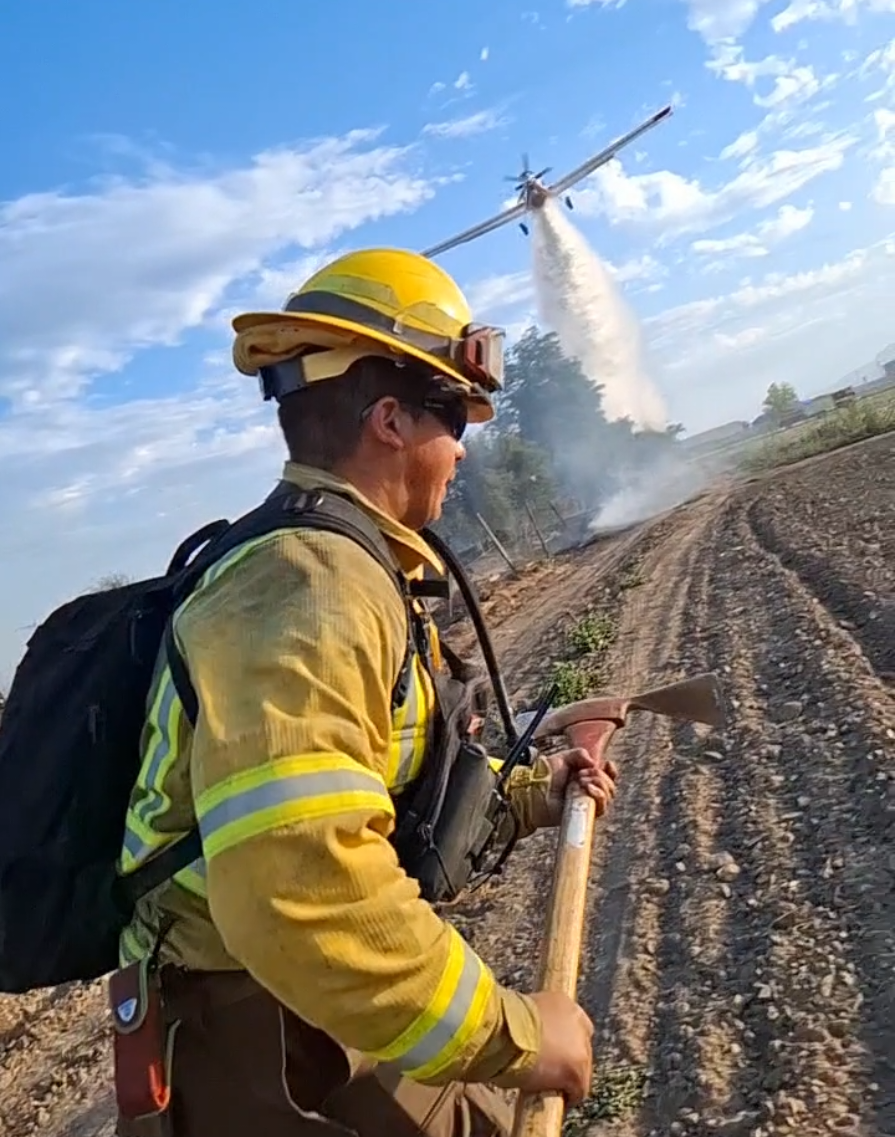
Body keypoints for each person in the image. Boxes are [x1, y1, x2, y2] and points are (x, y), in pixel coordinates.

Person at [115, 247, 619, 1137]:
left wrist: (540, 792)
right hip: (262, 1035)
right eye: (453, 418)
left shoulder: (344, 568)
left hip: (311, 1005)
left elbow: (396, 781)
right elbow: (301, 890)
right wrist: (513, 1036)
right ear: (390, 419)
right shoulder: (306, 586)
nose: (461, 450)